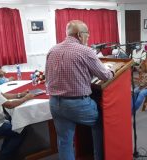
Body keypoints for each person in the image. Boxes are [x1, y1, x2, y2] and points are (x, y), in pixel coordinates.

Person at [45, 20, 122, 160]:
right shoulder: (85, 51)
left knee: (64, 141)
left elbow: (49, 77)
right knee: (101, 123)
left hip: (55, 103)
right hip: (77, 105)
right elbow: (105, 76)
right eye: (87, 34)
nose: (89, 37)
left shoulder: (52, 50)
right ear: (80, 35)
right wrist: (111, 69)